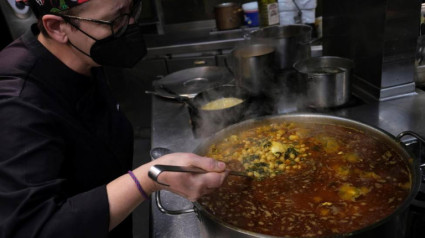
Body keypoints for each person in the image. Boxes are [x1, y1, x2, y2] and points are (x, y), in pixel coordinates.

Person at [0, 0, 228, 237]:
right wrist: (150, 177)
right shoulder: (16, 102)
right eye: (116, 18)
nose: (130, 24)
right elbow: (32, 228)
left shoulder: (83, 56)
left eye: (133, 9)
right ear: (58, 27)